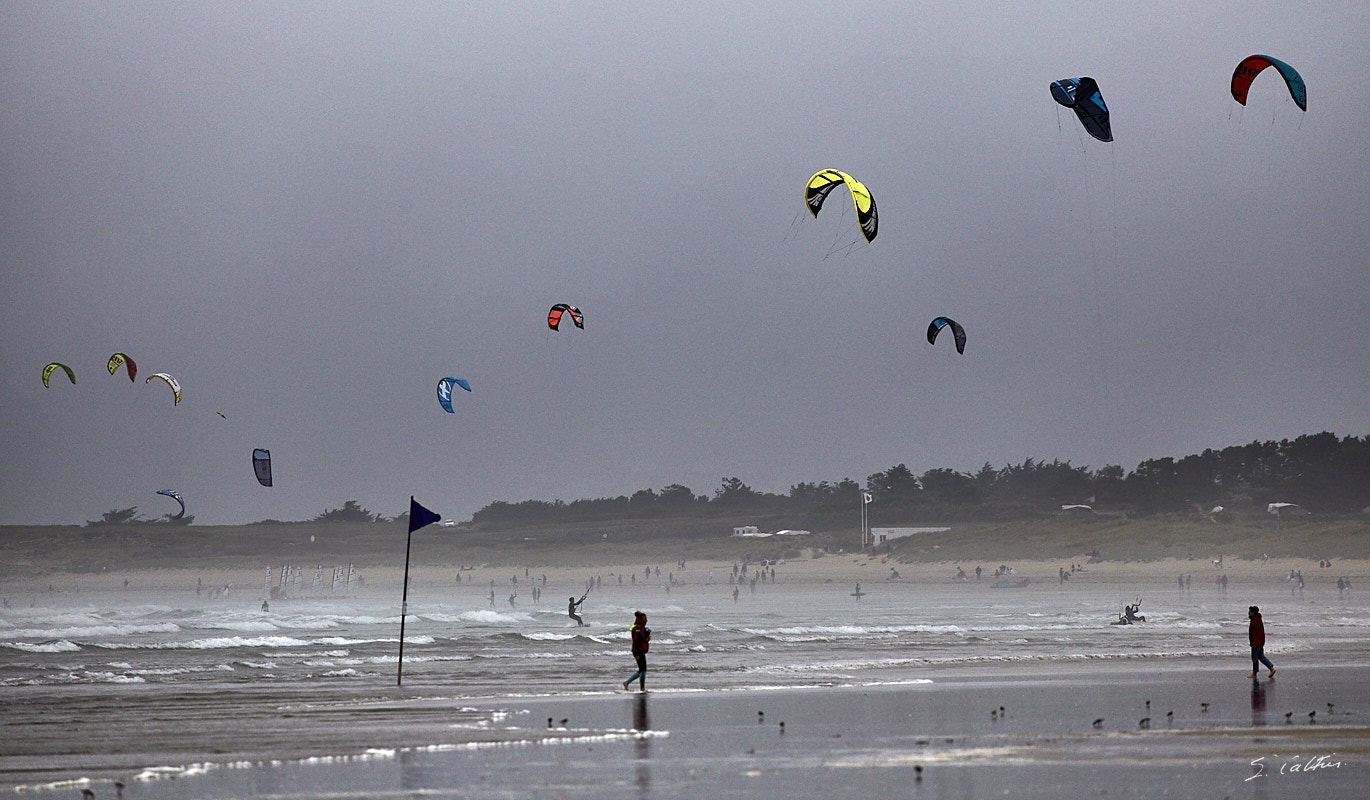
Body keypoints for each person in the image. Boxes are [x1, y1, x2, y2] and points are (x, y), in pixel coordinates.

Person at [622, 611, 650, 691]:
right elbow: (635, 642)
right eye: (645, 618)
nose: (647, 620)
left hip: (641, 650)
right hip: (638, 651)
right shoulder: (636, 628)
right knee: (642, 669)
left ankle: (641, 687)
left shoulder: (642, 628)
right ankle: (628, 682)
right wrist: (636, 653)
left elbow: (643, 640)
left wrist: (647, 638)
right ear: (641, 619)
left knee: (643, 670)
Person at [1247, 605, 1275, 679]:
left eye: (1249, 612)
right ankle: (1271, 668)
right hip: (1258, 642)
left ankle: (1254, 673)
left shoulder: (1256, 620)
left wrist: (1256, 643)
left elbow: (1259, 632)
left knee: (1255, 658)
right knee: (1261, 657)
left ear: (1253, 612)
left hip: (1256, 642)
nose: (1248, 614)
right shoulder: (1256, 619)